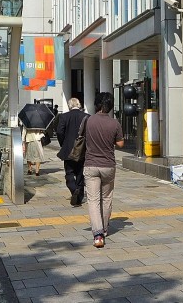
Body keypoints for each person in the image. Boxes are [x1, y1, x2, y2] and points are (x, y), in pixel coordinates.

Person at [83, 92, 124, 248]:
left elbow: (81, 137)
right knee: (106, 198)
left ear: (97, 104)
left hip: (91, 165)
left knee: (93, 200)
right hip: (108, 165)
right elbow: (120, 144)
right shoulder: (114, 123)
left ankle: (98, 235)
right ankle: (105, 229)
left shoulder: (88, 120)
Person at [56, 98, 89, 206]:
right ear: (79, 105)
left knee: (69, 172)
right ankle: (79, 198)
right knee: (80, 174)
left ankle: (74, 189)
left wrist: (63, 143)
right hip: (82, 149)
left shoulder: (64, 116)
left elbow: (59, 132)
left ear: (69, 106)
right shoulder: (86, 117)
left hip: (68, 149)